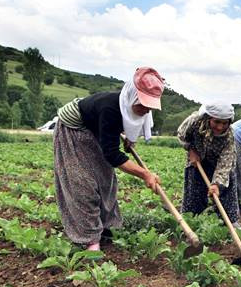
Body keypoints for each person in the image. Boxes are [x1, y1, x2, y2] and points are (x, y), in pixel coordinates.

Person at [53, 67, 164, 251]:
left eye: (149, 106)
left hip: (94, 129)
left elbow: (131, 123)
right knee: (82, 183)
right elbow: (112, 154)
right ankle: (89, 239)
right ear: (132, 97)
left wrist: (131, 138)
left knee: (106, 180)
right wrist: (144, 174)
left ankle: (107, 227)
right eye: (142, 105)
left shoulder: (140, 109)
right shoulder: (111, 108)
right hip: (73, 129)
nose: (145, 110)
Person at [177, 101, 241, 229]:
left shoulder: (229, 136)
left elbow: (225, 162)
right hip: (197, 157)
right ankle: (191, 218)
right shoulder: (194, 121)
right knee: (194, 186)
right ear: (208, 118)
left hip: (219, 162)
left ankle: (230, 221)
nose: (220, 127)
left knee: (226, 189)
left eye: (224, 123)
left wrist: (216, 184)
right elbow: (181, 135)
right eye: (216, 122)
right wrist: (190, 149)